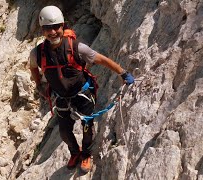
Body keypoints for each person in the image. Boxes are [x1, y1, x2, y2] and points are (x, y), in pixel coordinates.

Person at [29, 5, 134, 173]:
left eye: (56, 27)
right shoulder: (38, 53)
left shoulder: (76, 47)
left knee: (87, 129)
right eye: (48, 28)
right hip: (62, 98)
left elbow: (101, 59)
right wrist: (38, 84)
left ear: (63, 26)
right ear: (42, 30)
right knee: (64, 131)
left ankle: (86, 154)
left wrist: (122, 72)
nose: (53, 32)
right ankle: (74, 153)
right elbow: (33, 67)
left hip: (82, 95)